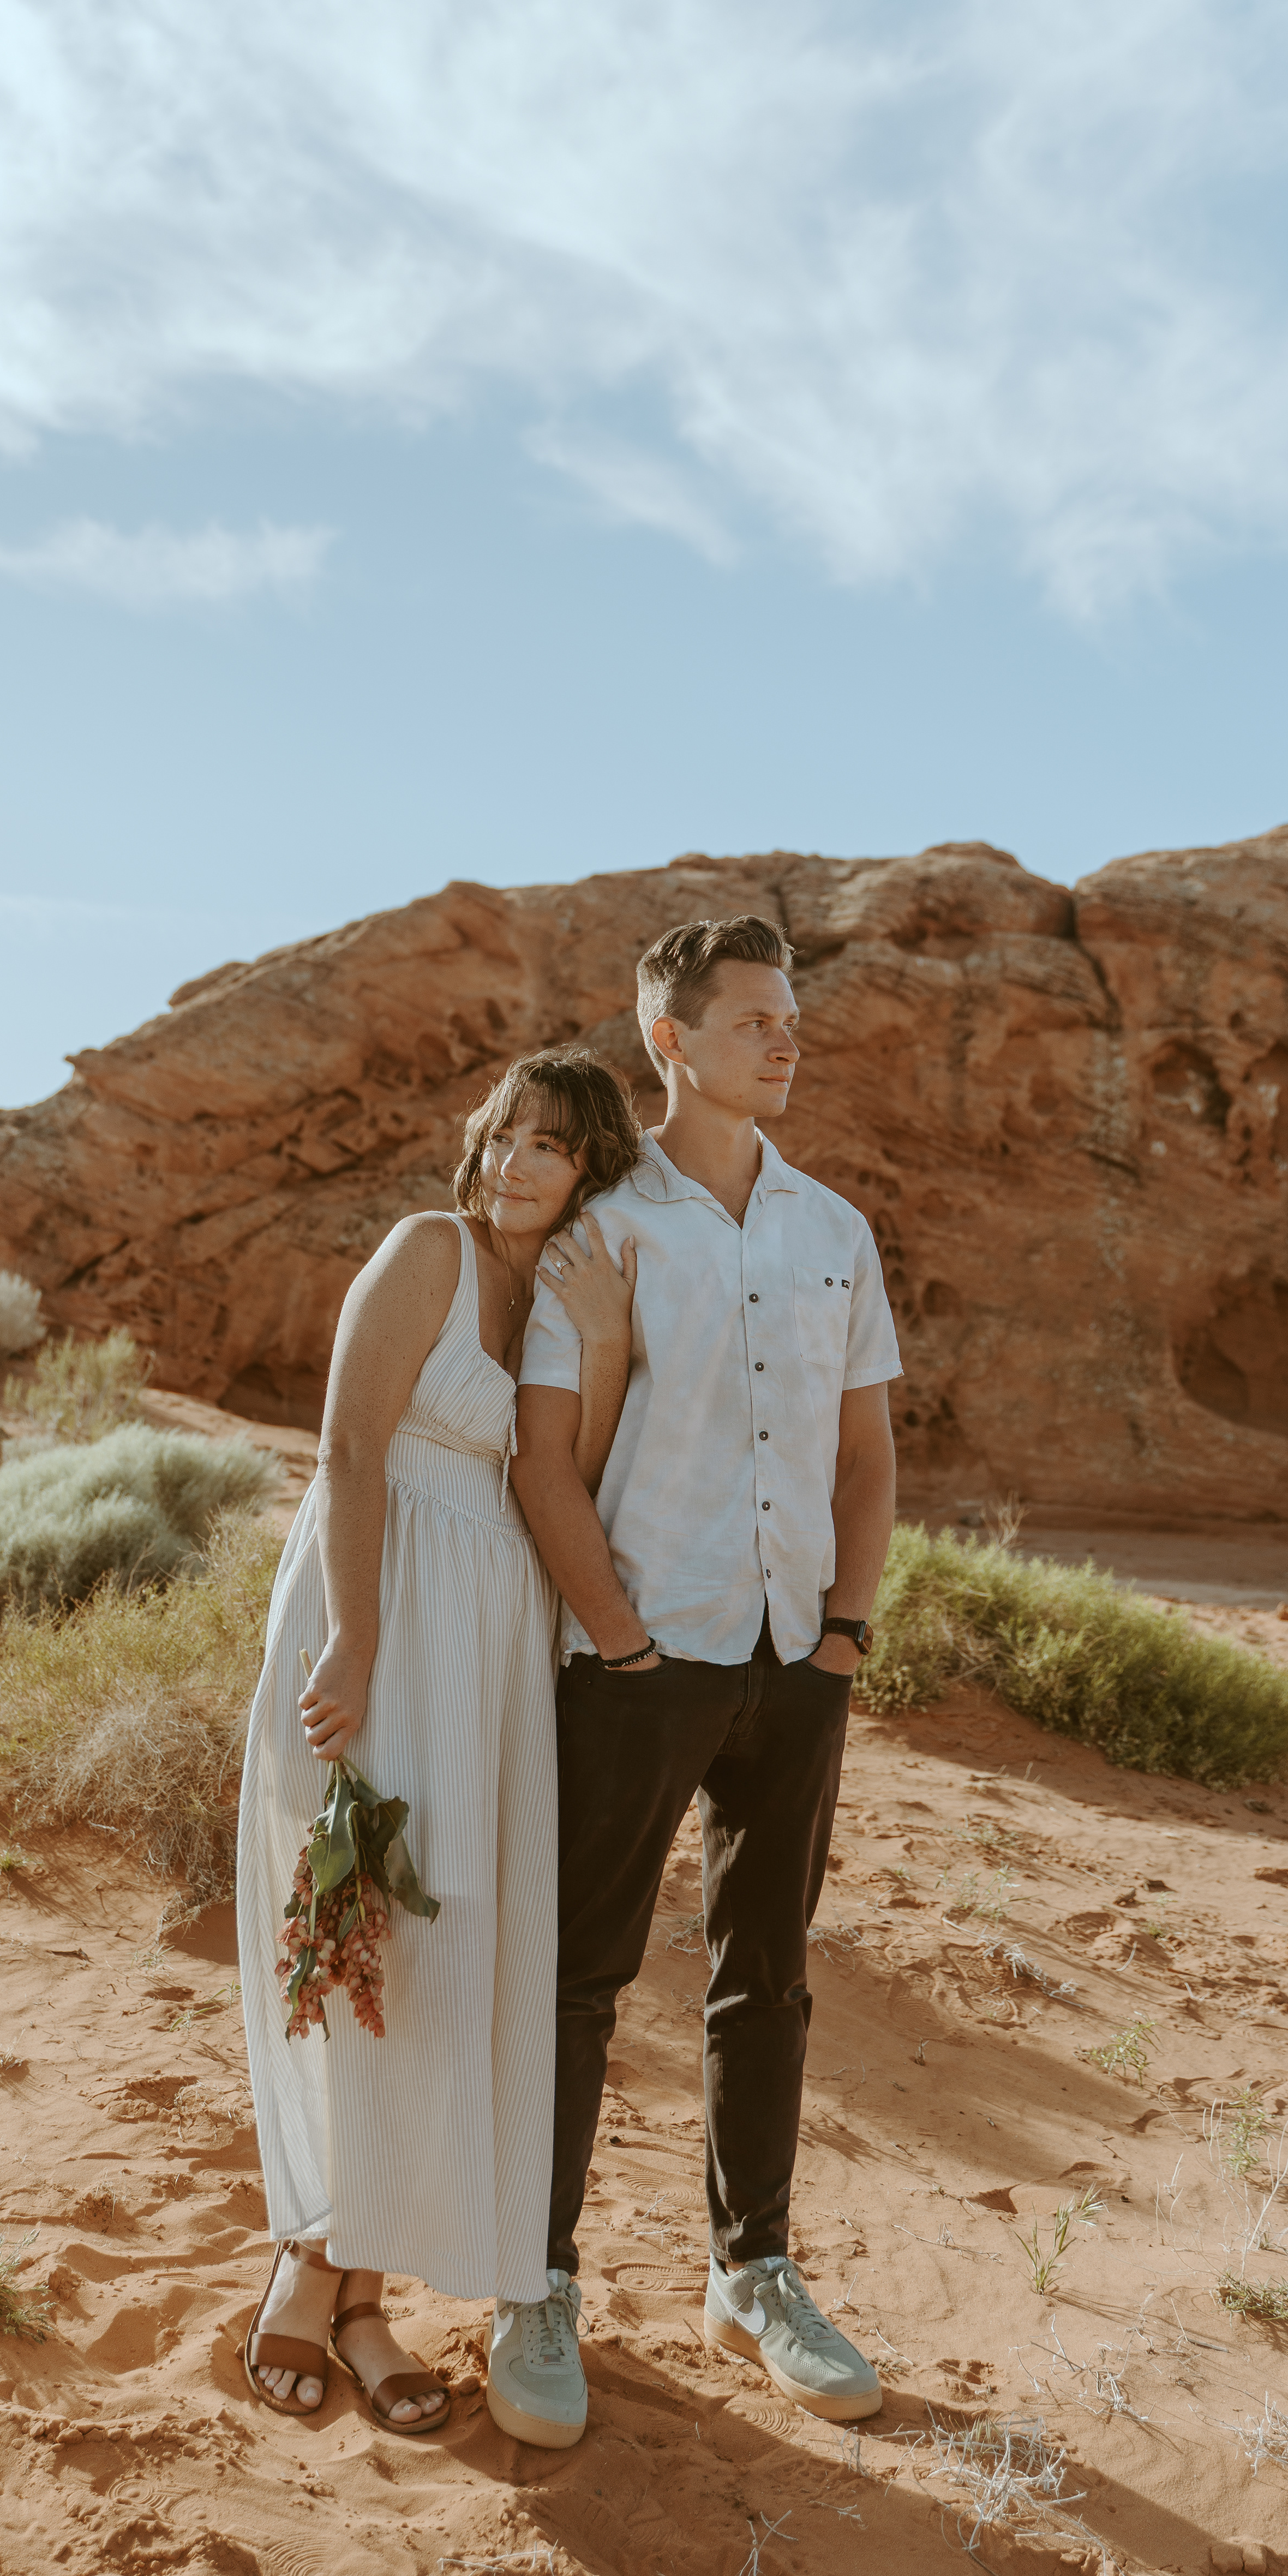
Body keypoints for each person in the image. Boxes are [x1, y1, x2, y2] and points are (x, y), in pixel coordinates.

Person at [510, 916, 901, 2438]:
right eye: (753, 1022)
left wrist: (846, 1635)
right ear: (669, 1043)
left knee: (769, 1981)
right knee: (577, 1981)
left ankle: (757, 2273)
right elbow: (547, 1462)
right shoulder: (605, 1231)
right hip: (637, 1657)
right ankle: (535, 2282)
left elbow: (866, 1458)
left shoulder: (834, 1234)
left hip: (795, 1662)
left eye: (791, 1019)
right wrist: (618, 1635)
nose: (785, 1042)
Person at [237, 1048, 643, 2441]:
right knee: (363, 1927)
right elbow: (352, 1449)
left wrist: (599, 1341)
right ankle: (311, 2269)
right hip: (383, 1608)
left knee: (448, 1948)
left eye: (556, 1149)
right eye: (508, 1137)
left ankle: (362, 2291)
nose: (521, 1163)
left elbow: (565, 1490)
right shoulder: (431, 1251)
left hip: (496, 1644)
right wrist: (351, 1641)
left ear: (591, 1171)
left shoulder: (563, 1295)